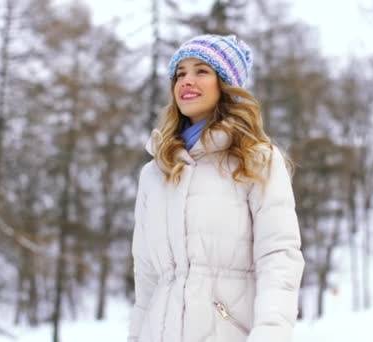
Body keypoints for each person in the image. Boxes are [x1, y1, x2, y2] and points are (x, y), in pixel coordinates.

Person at [127, 34, 305, 342]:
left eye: (201, 71)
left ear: (225, 84)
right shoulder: (154, 173)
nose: (187, 81)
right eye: (180, 74)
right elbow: (146, 279)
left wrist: (272, 333)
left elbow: (278, 256)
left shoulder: (255, 159)